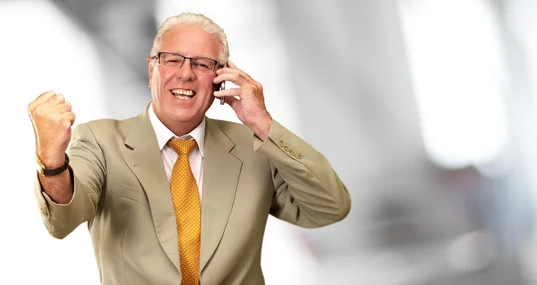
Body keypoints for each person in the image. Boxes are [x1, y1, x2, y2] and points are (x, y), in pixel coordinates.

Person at [27, 12, 350, 285]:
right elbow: (62, 220)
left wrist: (264, 123)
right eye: (172, 60)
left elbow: (330, 206)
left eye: (203, 64)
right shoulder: (100, 140)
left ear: (221, 78)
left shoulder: (253, 147)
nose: (186, 73)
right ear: (152, 68)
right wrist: (52, 160)